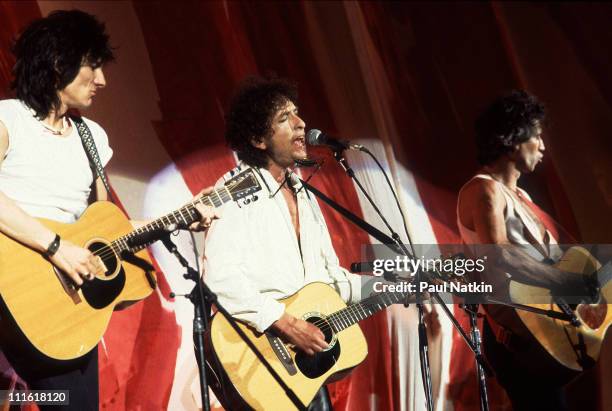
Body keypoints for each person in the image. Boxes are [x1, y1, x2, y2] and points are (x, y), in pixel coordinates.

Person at [0, 10, 217, 410]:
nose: (102, 80)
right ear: (57, 63)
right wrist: (55, 247)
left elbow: (107, 228)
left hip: (61, 310)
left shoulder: (92, 137)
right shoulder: (6, 118)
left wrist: (183, 216)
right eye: (93, 66)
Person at [203, 76, 364, 410]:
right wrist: (287, 324)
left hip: (302, 374)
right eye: (283, 119)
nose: (300, 123)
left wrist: (398, 282)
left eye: (297, 113)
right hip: (264, 365)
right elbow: (220, 278)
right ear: (257, 139)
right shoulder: (235, 190)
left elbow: (328, 281)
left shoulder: (304, 191)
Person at [456, 90, 595, 410]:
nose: (543, 145)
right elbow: (499, 253)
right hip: (517, 334)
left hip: (541, 326)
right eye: (537, 135)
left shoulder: (520, 196)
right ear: (513, 138)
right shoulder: (484, 189)